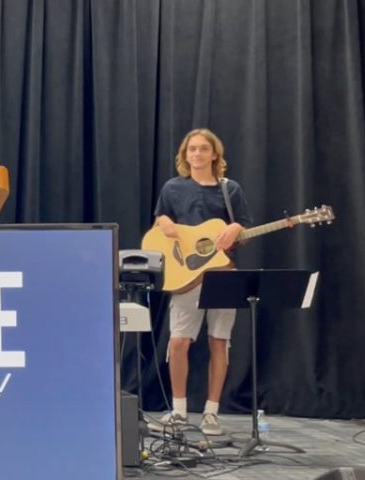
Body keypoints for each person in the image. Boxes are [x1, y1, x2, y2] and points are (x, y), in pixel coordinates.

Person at [149, 128, 252, 436]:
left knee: (219, 341)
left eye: (203, 148)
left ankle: (211, 413)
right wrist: (164, 221)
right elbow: (160, 219)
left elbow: (244, 228)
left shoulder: (230, 189)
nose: (197, 154)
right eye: (192, 149)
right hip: (186, 275)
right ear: (185, 154)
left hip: (222, 273)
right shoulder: (173, 187)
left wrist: (235, 228)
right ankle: (179, 411)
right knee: (178, 341)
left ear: (214, 154)